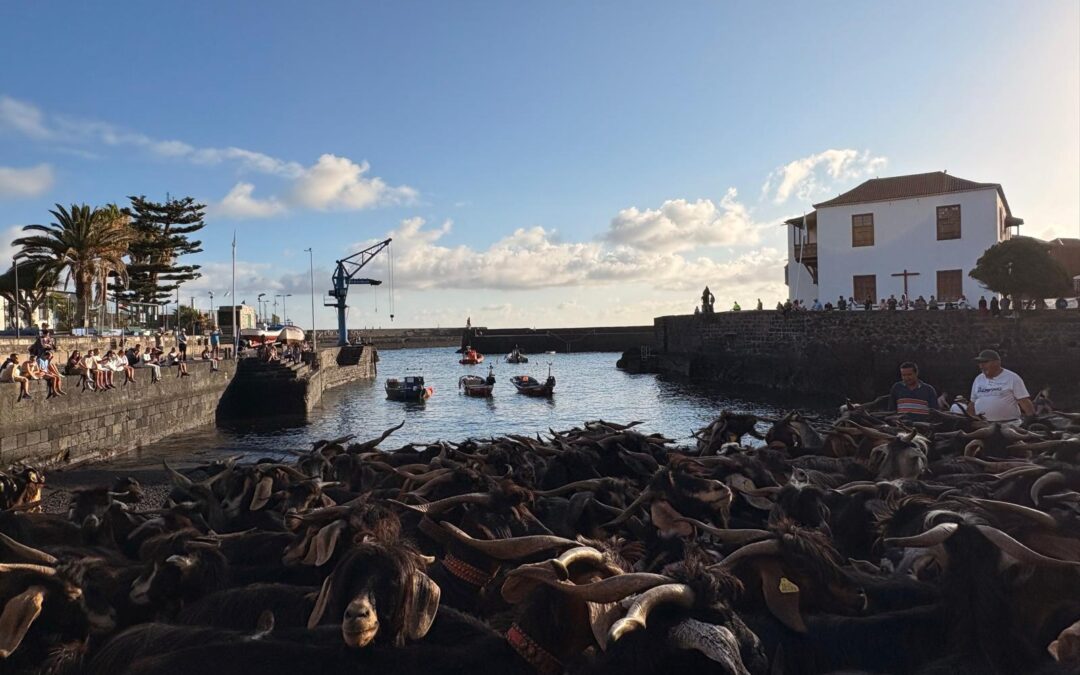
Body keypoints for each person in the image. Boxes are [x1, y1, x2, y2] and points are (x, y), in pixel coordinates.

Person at [970, 350, 1034, 423]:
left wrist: (1030, 419)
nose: (981, 366)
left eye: (985, 362)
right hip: (984, 424)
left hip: (1009, 424)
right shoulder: (978, 379)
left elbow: (1024, 401)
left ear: (997, 362)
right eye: (980, 363)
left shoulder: (1012, 377)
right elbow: (972, 403)